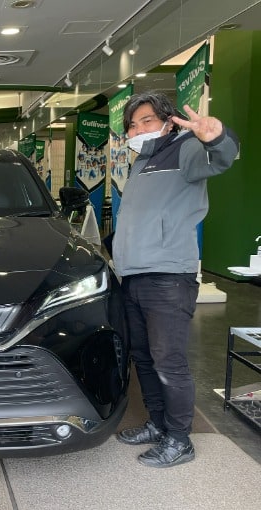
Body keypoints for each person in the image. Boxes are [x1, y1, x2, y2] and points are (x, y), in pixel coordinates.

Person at [112, 91, 239, 467]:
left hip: (168, 276)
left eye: (146, 120)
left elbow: (222, 159)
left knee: (168, 361)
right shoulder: (143, 160)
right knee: (145, 359)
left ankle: (180, 439)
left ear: (168, 120)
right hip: (133, 276)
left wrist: (214, 136)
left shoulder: (185, 149)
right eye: (132, 124)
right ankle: (157, 423)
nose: (137, 129)